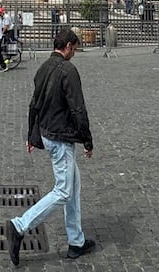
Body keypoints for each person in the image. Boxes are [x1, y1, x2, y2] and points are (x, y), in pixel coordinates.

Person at [6, 28, 95, 266]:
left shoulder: (44, 67)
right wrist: (87, 140)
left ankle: (76, 241)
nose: (74, 53)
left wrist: (31, 134)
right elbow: (78, 109)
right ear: (67, 46)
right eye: (74, 49)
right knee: (64, 191)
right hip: (60, 137)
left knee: (73, 187)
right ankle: (20, 225)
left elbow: (34, 104)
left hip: (48, 133)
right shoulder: (68, 70)